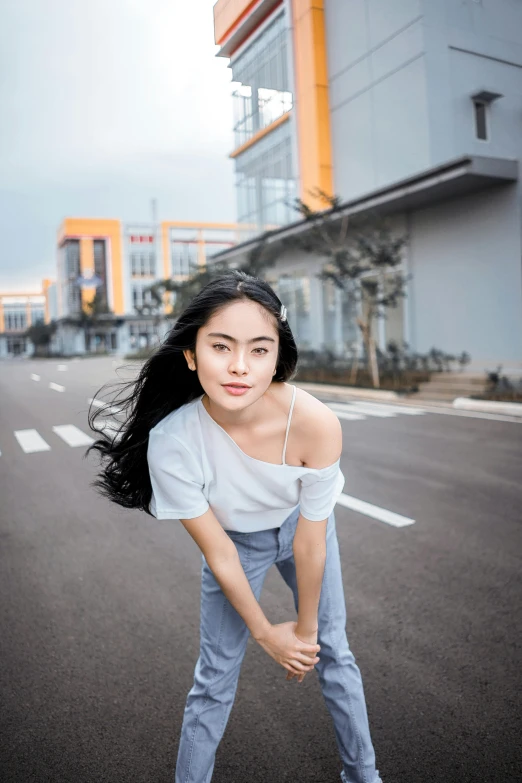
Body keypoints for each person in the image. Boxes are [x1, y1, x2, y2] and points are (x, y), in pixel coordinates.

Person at [88, 271, 382, 783]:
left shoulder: (315, 423)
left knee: (333, 649)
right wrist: (267, 633)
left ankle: (364, 776)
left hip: (299, 528)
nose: (240, 367)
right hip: (234, 542)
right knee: (214, 679)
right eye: (221, 346)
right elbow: (220, 553)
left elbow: (311, 539)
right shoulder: (172, 441)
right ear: (191, 354)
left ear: (277, 357)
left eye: (259, 350)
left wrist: (304, 634)